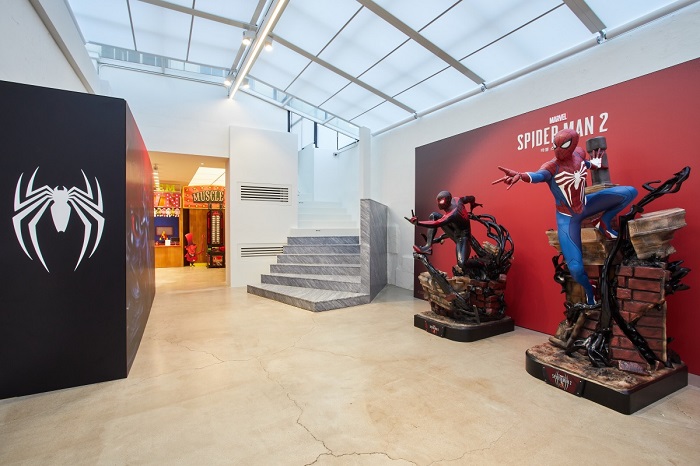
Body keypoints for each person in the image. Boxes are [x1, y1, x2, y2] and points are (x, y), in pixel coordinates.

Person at [493, 128, 637, 306]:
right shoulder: (551, 166)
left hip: (586, 204)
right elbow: (538, 175)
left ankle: (604, 222)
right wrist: (521, 176)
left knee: (629, 192)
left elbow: (585, 165)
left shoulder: (579, 157)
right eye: (555, 145)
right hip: (567, 218)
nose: (558, 149)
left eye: (564, 144)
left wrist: (595, 163)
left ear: (574, 145)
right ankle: (589, 290)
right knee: (575, 269)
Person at [408, 191, 481, 275]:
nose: (439, 204)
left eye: (441, 201)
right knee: (434, 215)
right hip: (454, 230)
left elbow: (436, 223)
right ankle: (428, 247)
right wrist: (473, 204)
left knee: (462, 263)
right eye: (438, 201)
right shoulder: (457, 200)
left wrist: (418, 223)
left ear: (448, 200)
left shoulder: (453, 214)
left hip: (462, 237)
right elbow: (470, 198)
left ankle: (481, 263)